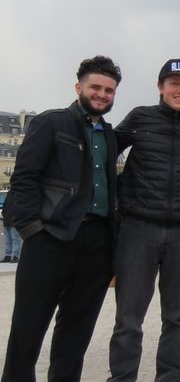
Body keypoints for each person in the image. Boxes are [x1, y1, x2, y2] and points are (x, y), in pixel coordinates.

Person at [2, 56, 121, 381]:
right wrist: (31, 230)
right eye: (96, 87)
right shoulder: (51, 122)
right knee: (26, 333)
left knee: (75, 337)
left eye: (109, 90)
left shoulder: (108, 135)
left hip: (96, 244)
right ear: (78, 87)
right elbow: (24, 179)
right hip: (50, 239)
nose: (102, 94)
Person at [108, 58, 180, 382]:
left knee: (178, 318)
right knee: (128, 319)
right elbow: (100, 153)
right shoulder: (139, 117)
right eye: (175, 83)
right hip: (137, 229)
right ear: (160, 86)